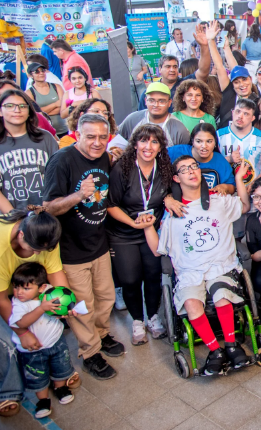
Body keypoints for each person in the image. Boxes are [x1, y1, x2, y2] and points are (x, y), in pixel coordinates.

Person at [142, 155, 253, 375]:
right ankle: (215, 351)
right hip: (190, 271)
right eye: (185, 169)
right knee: (192, 304)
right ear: (176, 178)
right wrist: (147, 228)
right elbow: (158, 249)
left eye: (194, 167)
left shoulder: (218, 200)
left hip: (220, 265)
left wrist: (239, 178)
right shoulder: (173, 212)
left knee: (222, 295)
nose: (192, 171)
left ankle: (231, 345)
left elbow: (245, 206)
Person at [44, 114, 125, 380]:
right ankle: (90, 353)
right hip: (71, 250)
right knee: (82, 306)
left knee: (106, 298)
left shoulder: (103, 155)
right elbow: (49, 207)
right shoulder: (62, 161)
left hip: (99, 244)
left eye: (103, 137)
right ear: (77, 134)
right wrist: (80, 194)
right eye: (90, 136)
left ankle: (102, 335)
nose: (97, 142)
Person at [105, 125, 173, 346]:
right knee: (130, 279)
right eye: (143, 141)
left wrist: (169, 199)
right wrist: (133, 222)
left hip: (151, 231)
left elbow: (168, 193)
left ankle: (152, 317)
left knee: (153, 275)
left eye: (154, 142)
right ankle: (136, 321)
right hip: (123, 233)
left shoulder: (164, 169)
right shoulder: (121, 169)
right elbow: (111, 205)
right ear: (134, 143)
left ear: (161, 146)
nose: (148, 147)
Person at [8, 263, 76, 418]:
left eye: (26, 288)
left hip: (56, 342)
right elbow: (21, 323)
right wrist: (41, 308)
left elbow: (61, 309)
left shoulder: (49, 293)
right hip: (33, 350)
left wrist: (70, 311)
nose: (19, 292)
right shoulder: (18, 304)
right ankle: (43, 400)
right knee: (38, 375)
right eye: (16, 287)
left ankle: (60, 388)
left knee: (61, 367)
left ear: (42, 287)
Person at [0, 90, 59, 212]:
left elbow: (58, 177)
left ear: (29, 111)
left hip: (48, 214)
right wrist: (15, 219)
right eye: (10, 106)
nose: (17, 110)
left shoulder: (45, 138)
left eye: (22, 106)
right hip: (11, 216)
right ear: (1, 111)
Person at [135, 24, 214, 111]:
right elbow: (141, 115)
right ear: (160, 69)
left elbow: (203, 71)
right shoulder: (151, 90)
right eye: (168, 67)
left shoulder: (186, 84)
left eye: (175, 66)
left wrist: (204, 46)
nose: (172, 70)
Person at [168, 122, 235, 193]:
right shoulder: (175, 152)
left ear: (215, 142)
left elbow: (232, 187)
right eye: (199, 141)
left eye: (209, 141)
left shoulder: (220, 161)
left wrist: (224, 187)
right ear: (192, 141)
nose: (204, 146)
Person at [217, 98, 261, 185]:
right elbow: (210, 163)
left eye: (246, 114)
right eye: (238, 111)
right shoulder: (219, 136)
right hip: (226, 191)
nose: (240, 116)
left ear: (253, 118)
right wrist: (228, 159)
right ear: (232, 112)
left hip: (253, 191)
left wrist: (256, 184)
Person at [120, 82, 191, 147]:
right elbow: (116, 139)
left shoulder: (179, 129)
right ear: (145, 101)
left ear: (169, 103)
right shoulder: (133, 120)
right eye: (151, 100)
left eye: (161, 101)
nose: (156, 105)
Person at [24, 61, 66, 135]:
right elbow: (34, 114)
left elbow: (64, 108)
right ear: (31, 75)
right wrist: (55, 104)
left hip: (63, 129)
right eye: (37, 71)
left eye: (43, 70)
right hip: (44, 132)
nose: (41, 73)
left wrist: (42, 111)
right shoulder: (29, 93)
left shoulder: (56, 87)